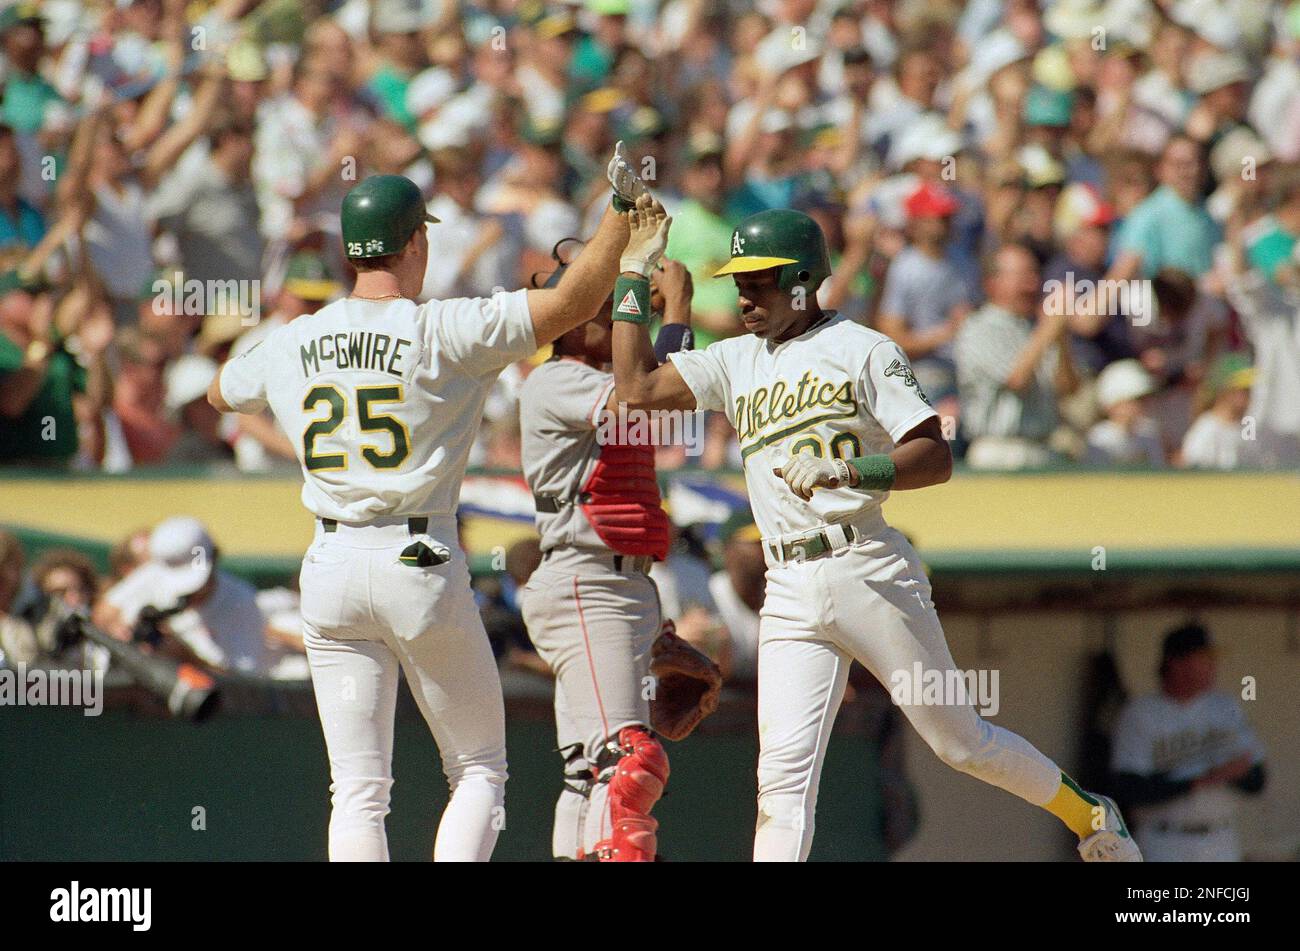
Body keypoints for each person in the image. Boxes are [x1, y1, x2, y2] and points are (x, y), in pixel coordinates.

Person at [609, 202, 1141, 862]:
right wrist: (637, 270)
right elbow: (635, 389)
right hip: (787, 585)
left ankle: (1087, 811)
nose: (744, 291)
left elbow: (935, 454)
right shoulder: (737, 358)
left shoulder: (862, 348)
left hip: (866, 565)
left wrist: (848, 467)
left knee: (961, 743)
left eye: (762, 278)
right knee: (780, 781)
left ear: (804, 279)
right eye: (739, 278)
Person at [205, 156, 659, 862]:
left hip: (327, 560)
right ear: (415, 243)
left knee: (356, 787)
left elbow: (219, 393)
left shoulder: (294, 338)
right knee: (478, 768)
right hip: (416, 555)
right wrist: (621, 212)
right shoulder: (445, 327)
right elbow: (572, 304)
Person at [517, 244, 691, 861]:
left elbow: (660, 392)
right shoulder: (557, 377)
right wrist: (665, 303)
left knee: (588, 774)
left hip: (618, 585)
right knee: (629, 763)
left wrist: (671, 317)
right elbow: (648, 398)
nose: (618, 319)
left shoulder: (600, 379)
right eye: (600, 308)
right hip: (585, 580)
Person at [1109, 623, 1267, 861]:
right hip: (1163, 840)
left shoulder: (1224, 707)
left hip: (1219, 839)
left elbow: (1258, 780)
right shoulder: (1141, 713)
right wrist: (1200, 779)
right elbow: (1129, 789)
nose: (1212, 667)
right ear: (1176, 663)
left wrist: (1234, 774)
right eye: (1203, 658)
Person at [955, 244, 1079, 469]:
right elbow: (1016, 379)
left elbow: (1067, 388)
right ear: (993, 283)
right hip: (999, 451)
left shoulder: (1034, 329)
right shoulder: (978, 327)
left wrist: (1060, 336)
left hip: (1043, 448)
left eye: (1034, 274)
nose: (1032, 284)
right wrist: (1051, 326)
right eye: (1022, 276)